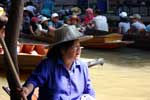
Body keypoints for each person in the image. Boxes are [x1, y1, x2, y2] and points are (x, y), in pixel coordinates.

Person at [20, 25, 95, 100]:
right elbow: (33, 81)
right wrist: (27, 90)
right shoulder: (48, 65)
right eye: (75, 47)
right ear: (62, 50)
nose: (79, 50)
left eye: (79, 46)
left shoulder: (82, 66)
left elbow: (89, 92)